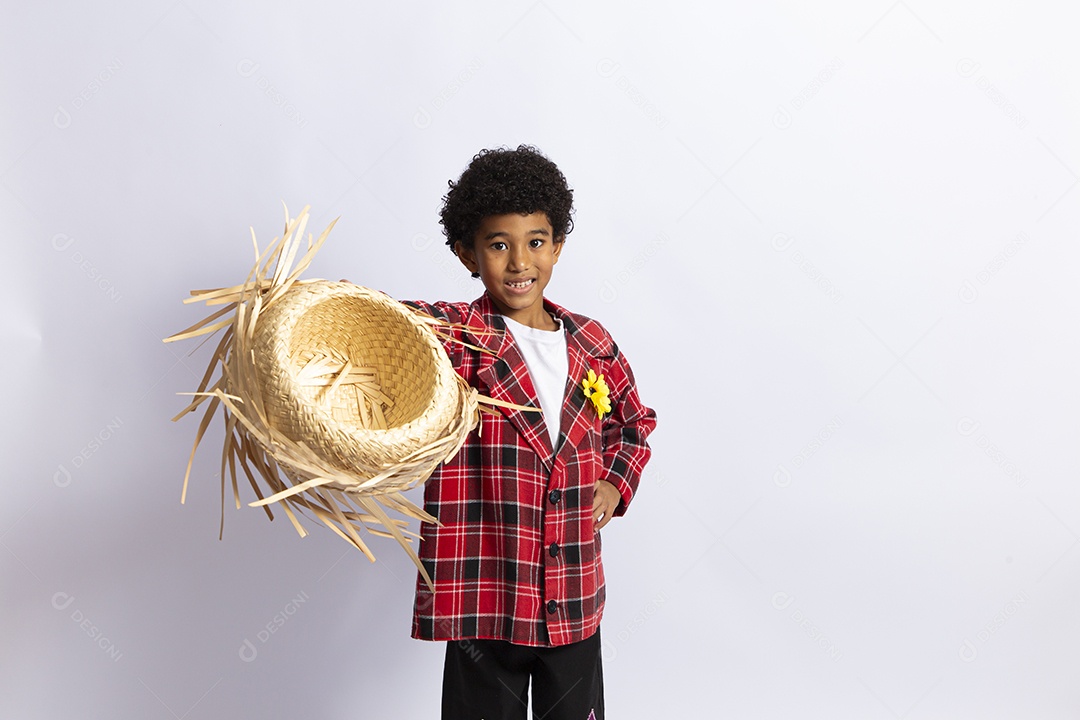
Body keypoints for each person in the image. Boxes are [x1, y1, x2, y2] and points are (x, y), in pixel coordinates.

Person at [406, 145, 656, 720]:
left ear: (558, 246)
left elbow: (633, 422)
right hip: (486, 592)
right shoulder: (460, 336)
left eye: (536, 242)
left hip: (571, 594)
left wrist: (616, 484)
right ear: (466, 253)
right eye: (498, 245)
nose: (520, 262)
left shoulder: (592, 342)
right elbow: (389, 325)